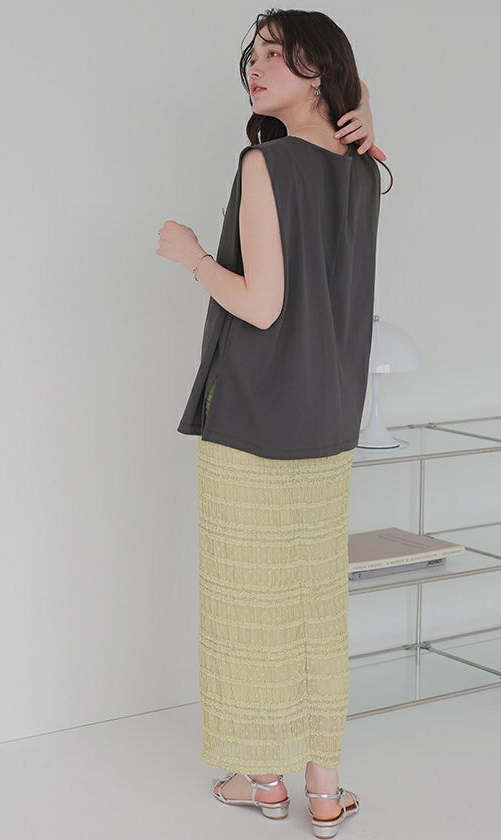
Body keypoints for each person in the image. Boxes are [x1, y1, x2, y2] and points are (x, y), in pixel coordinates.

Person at [157, 9, 392, 837]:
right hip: (329, 415)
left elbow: (260, 305)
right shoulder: (366, 170)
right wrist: (364, 108)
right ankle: (323, 790)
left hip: (255, 413)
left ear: (317, 70)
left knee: (246, 603)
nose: (255, 70)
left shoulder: (266, 163)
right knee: (315, 601)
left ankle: (263, 782)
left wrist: (191, 255)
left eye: (275, 56)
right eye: (251, 58)